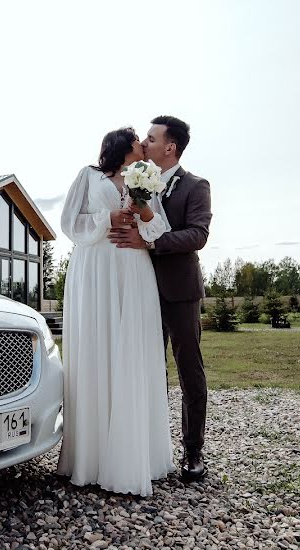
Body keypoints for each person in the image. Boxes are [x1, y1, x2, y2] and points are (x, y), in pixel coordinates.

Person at [57, 127, 175, 496]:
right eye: (139, 138)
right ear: (123, 146)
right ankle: (91, 457)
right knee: (97, 348)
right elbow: (68, 224)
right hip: (94, 270)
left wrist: (139, 211)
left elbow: (159, 227)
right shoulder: (88, 176)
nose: (143, 143)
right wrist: (108, 220)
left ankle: (132, 456)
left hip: (132, 270)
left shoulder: (148, 179)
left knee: (131, 351)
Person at [108, 116, 212, 482]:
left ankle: (193, 452)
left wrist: (151, 242)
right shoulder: (134, 180)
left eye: (151, 138)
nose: (145, 143)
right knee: (146, 370)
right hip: (140, 289)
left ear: (170, 146)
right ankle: (149, 451)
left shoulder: (196, 186)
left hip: (180, 291)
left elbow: (197, 235)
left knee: (189, 370)